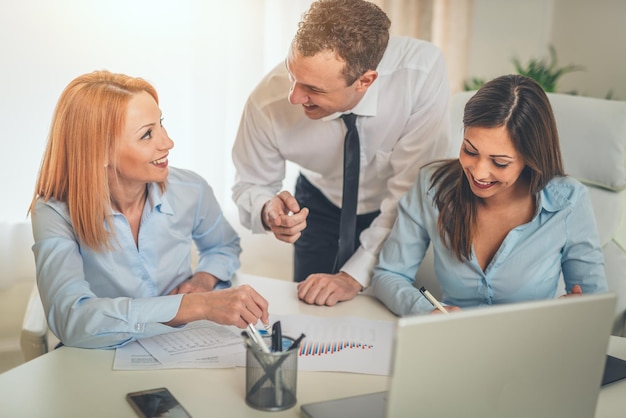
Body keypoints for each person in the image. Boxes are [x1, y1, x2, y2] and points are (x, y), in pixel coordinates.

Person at [232, 0, 450, 306]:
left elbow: (410, 192)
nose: (293, 96)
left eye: (313, 89)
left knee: (383, 311)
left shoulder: (419, 74)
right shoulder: (267, 101)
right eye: (291, 74)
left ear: (365, 81)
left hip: (396, 209)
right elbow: (249, 184)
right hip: (318, 204)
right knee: (312, 308)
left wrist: (352, 277)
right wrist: (268, 211)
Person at [29, 70, 269, 349]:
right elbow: (71, 317)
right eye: (147, 134)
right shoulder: (53, 212)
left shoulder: (190, 188)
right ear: (100, 152)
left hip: (184, 344)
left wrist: (205, 278)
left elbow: (223, 246)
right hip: (99, 355)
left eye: (161, 124)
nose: (167, 143)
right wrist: (194, 306)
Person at [371, 74, 608, 316]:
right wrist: (427, 311)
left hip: (533, 347)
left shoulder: (568, 202)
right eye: (470, 151)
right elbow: (389, 274)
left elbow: (594, 303)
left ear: (530, 158)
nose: (479, 173)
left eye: (500, 162)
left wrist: (574, 313)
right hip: (453, 342)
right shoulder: (431, 185)